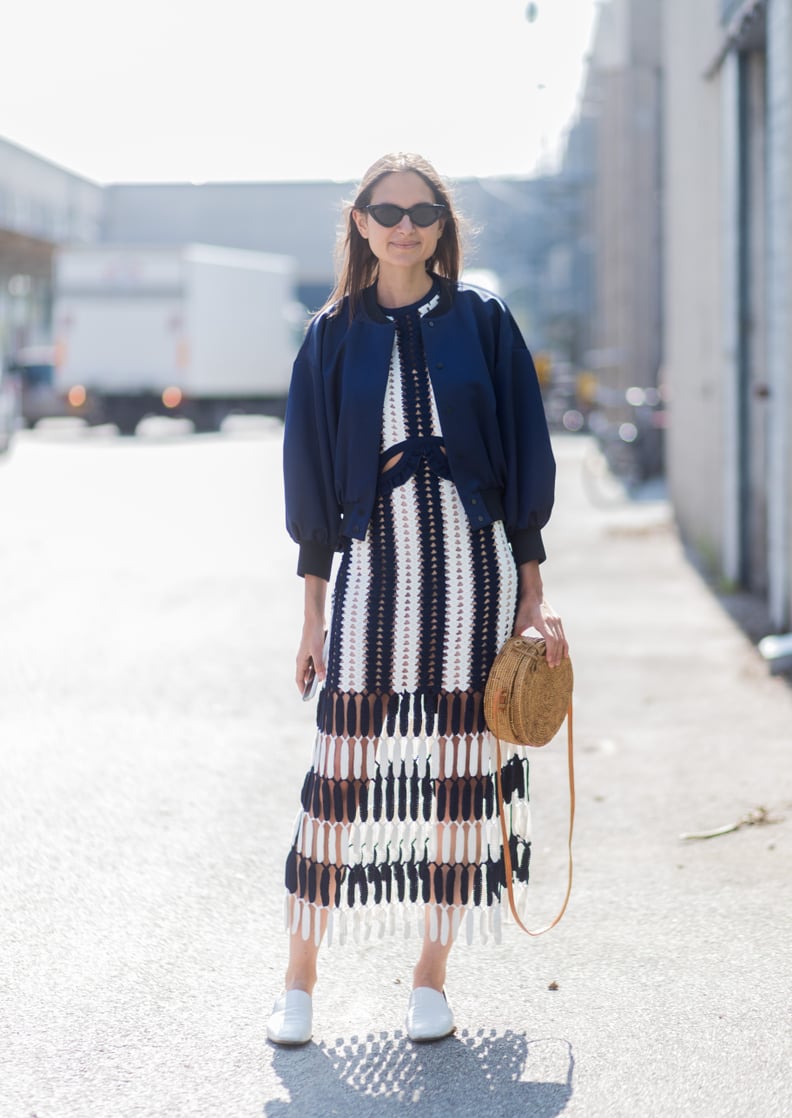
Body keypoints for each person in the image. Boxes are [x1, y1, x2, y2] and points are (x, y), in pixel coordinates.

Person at [269, 152, 568, 1047]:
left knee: (460, 784)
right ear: (359, 222)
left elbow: (525, 455)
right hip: (371, 575)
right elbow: (311, 480)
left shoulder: (483, 320)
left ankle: (430, 980)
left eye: (422, 209)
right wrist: (313, 615)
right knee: (338, 778)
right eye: (385, 209)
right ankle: (298, 979)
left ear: (442, 223)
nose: (404, 223)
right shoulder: (330, 334)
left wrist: (533, 595)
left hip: (474, 578)